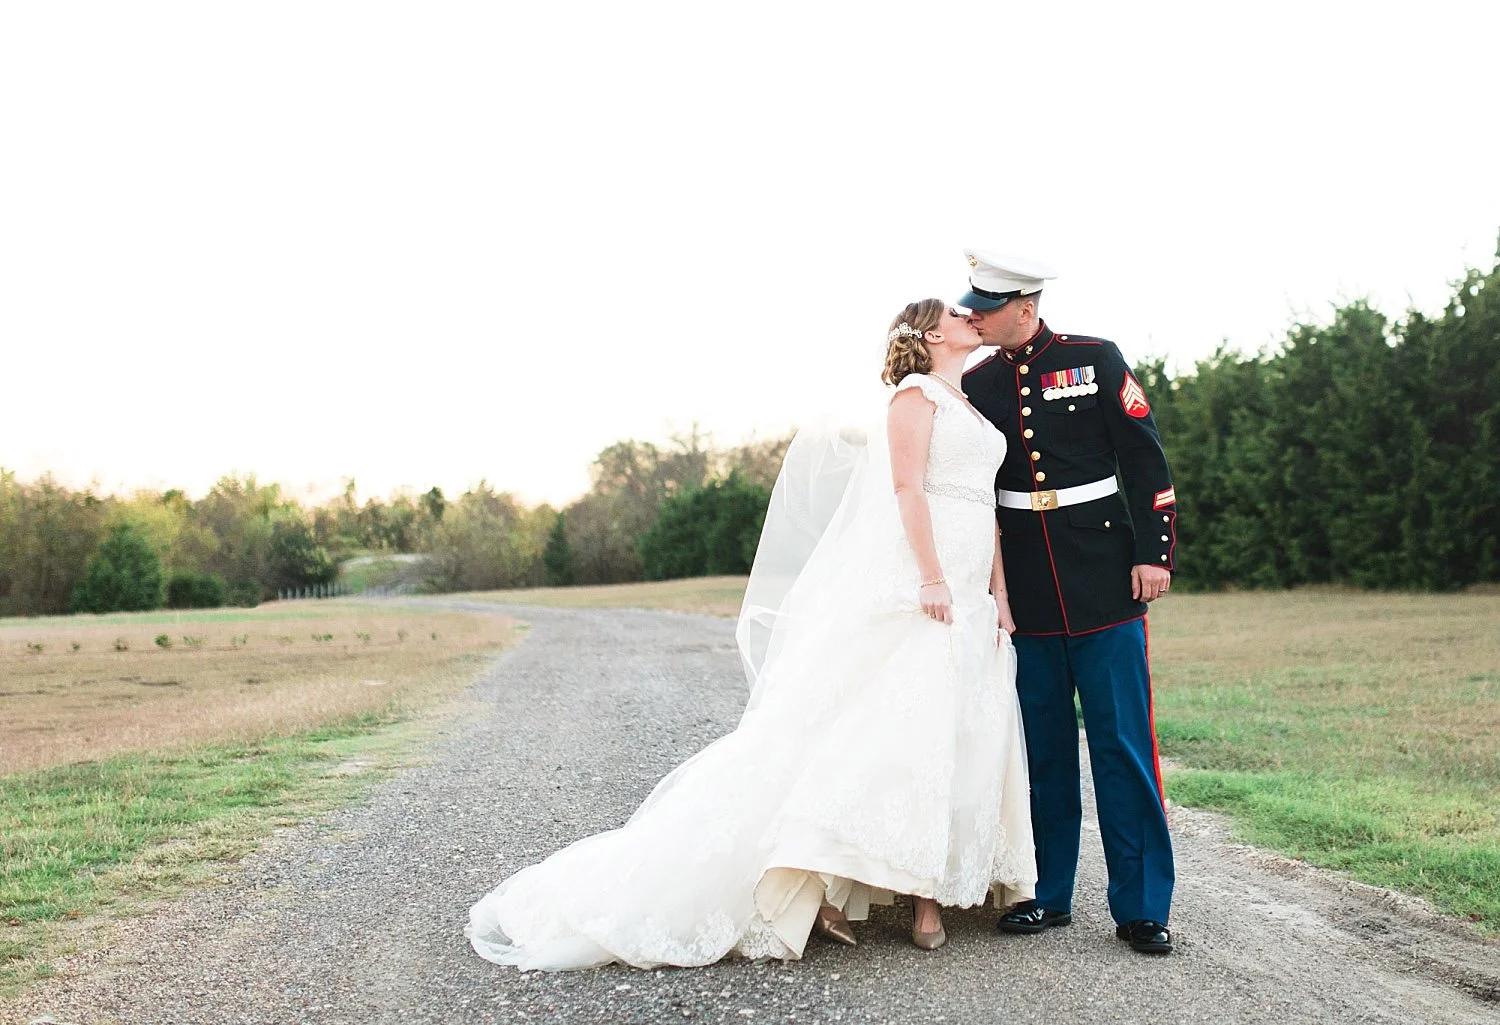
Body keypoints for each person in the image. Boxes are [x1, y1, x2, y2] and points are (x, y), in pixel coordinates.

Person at [465, 300, 1035, 971]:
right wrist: (932, 577)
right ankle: (906, 897)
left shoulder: (968, 404)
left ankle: (917, 883)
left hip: (971, 592)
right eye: (958, 312)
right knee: (905, 737)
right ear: (932, 333)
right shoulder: (913, 398)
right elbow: (909, 490)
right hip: (923, 588)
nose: (973, 315)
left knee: (957, 731)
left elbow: (982, 506)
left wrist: (996, 592)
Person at [957, 250, 1178, 955]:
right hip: (1025, 592)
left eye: (986, 308)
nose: (975, 318)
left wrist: (1154, 552)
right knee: (1042, 749)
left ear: (1026, 305)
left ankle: (1142, 906)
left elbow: (1144, 456)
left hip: (1107, 580)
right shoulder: (978, 382)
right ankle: (1046, 893)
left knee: (1122, 747)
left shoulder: (1093, 357)